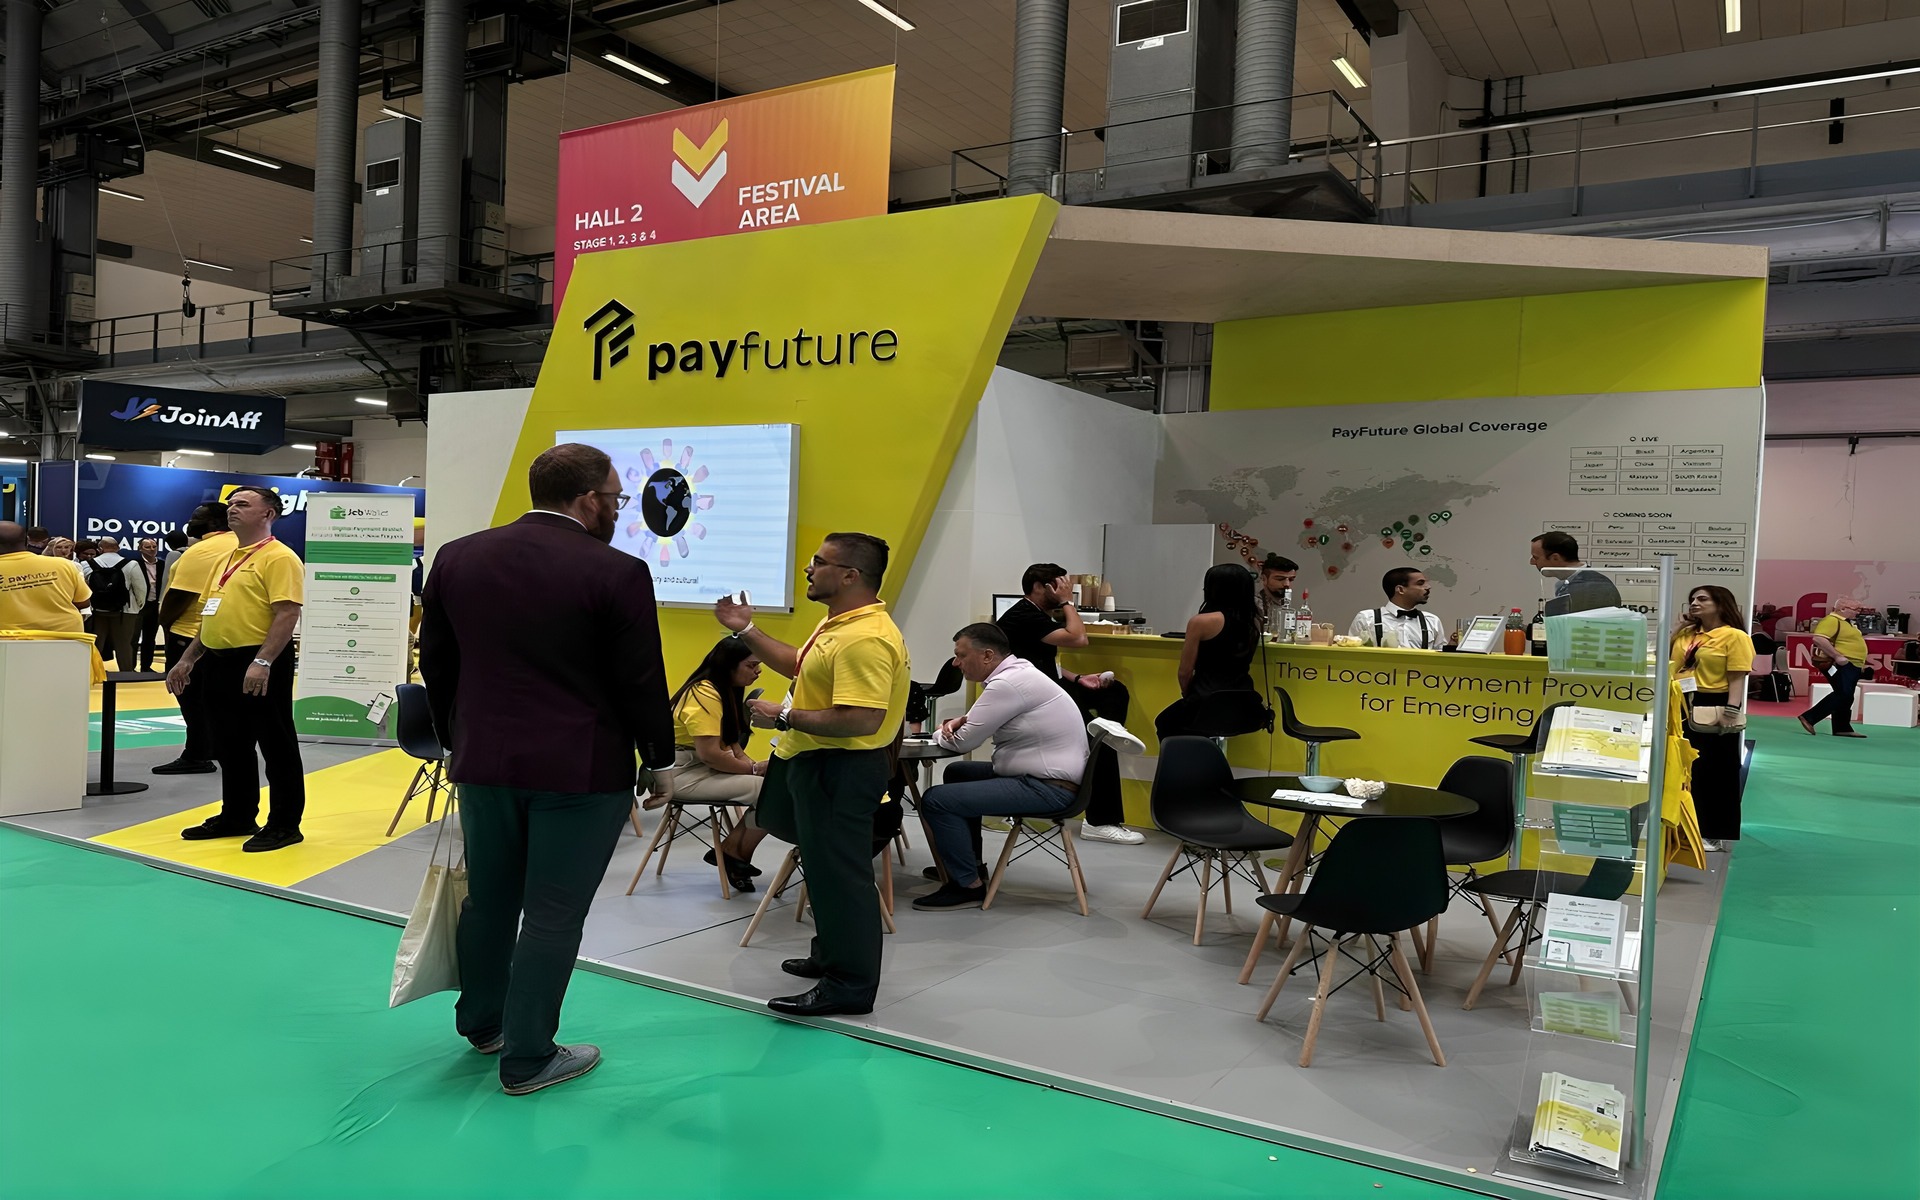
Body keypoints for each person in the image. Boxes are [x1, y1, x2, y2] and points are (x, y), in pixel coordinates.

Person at [420, 442, 677, 1096]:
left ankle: (483, 1023)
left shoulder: (457, 556)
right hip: (580, 768)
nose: (618, 509)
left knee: (489, 899)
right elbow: (640, 678)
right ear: (588, 499)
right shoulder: (617, 571)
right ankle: (529, 1056)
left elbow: (437, 662)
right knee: (553, 914)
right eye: (616, 498)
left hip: (483, 761)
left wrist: (456, 739)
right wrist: (660, 757)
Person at [714, 531, 910, 1018]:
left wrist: (783, 716)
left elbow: (861, 719)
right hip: (819, 765)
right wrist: (747, 629)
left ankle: (849, 985)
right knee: (823, 872)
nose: (808, 568)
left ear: (850, 575)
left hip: (841, 768)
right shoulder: (841, 624)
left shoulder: (865, 638)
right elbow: (800, 667)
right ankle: (830, 957)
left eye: (820, 562)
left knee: (842, 878)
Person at [165, 487, 307, 852]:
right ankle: (238, 815)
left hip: (258, 660)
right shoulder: (226, 559)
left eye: (243, 504)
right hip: (218, 660)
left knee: (276, 744)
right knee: (230, 744)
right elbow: (210, 614)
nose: (232, 509)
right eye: (231, 504)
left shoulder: (279, 557)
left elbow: (287, 613)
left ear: (268, 514)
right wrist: (188, 658)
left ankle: (285, 824)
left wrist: (263, 661)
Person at [914, 623, 1088, 911]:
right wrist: (956, 726)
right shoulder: (1018, 674)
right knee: (958, 773)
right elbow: (969, 726)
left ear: (987, 655)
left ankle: (967, 886)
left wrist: (940, 730)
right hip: (1048, 779)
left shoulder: (1007, 684)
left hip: (1047, 788)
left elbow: (962, 741)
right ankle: (969, 865)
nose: (956, 663)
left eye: (961, 655)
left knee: (936, 800)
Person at [995, 562, 1138, 845]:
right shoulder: (1024, 615)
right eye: (1060, 585)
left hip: (1048, 687)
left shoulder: (1038, 615)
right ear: (1040, 587)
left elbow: (1044, 662)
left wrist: (1078, 678)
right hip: (1032, 699)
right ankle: (1100, 821)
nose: (1066, 590)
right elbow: (1079, 638)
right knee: (1099, 741)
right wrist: (1067, 602)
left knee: (1114, 692)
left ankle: (1105, 728)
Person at [667, 636, 771, 892]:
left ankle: (731, 852)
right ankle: (734, 854)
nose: (758, 671)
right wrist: (754, 770)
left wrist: (756, 768)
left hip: (700, 768)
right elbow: (711, 755)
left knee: (774, 784)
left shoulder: (725, 690)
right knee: (773, 791)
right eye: (752, 665)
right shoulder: (704, 693)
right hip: (681, 774)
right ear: (729, 665)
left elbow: (734, 748)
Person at [152, 504, 235, 775]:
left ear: (213, 522)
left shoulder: (201, 551)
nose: (190, 522)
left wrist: (165, 623)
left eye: (196, 517)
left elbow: (180, 595)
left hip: (189, 633)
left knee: (189, 696)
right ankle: (217, 746)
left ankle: (197, 753)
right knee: (218, 698)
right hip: (229, 635)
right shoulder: (243, 546)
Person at [1671, 585, 1754, 850]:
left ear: (1720, 604)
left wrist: (1732, 710)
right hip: (1678, 703)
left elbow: (1737, 676)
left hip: (1713, 704)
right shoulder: (1686, 634)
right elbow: (1667, 662)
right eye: (1692, 599)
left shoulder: (1734, 636)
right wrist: (1676, 629)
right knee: (1682, 769)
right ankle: (1683, 827)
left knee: (1716, 770)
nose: (1694, 603)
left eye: (1702, 599)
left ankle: (1713, 831)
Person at [1154, 564, 1266, 740]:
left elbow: (1185, 672)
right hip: (1244, 702)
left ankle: (1187, 758)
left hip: (1205, 699)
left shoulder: (1201, 622)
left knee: (1165, 722)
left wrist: (1187, 695)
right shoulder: (1255, 621)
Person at [1799, 596, 1870, 739]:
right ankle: (1810, 717)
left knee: (1846, 695)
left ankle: (1842, 727)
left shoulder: (1847, 622)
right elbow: (1818, 638)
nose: (1858, 612)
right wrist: (1837, 656)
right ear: (1842, 608)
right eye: (1856, 609)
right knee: (1843, 693)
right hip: (1841, 663)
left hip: (1852, 663)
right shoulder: (1832, 620)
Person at [0, 521, 91, 633]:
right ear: (27, 541)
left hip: (8, 638)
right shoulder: (63, 565)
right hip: (65, 636)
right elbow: (83, 602)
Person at [84, 536, 148, 671]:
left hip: (96, 611)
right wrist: (138, 606)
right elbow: (141, 589)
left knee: (96, 643)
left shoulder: (87, 565)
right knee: (124, 644)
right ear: (118, 548)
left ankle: (92, 672)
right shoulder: (131, 564)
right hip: (125, 611)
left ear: (100, 549)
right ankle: (126, 673)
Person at [1349, 567, 1447, 650]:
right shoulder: (1366, 618)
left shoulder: (1432, 621)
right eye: (1420, 583)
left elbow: (1442, 656)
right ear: (1400, 589)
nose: (1428, 587)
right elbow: (1352, 652)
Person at [1531, 532, 1621, 614]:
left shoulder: (1591, 587)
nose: (1531, 562)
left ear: (1555, 558)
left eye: (1536, 558)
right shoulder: (1570, 583)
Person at [135, 537, 165, 671]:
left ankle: (146, 666)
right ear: (140, 549)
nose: (152, 549)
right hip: (139, 604)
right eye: (148, 547)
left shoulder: (163, 564)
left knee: (150, 637)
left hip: (156, 604)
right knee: (134, 637)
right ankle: (130, 667)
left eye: (154, 546)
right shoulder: (135, 564)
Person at [1256, 553, 1299, 627]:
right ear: (1264, 579)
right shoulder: (1254, 605)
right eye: (1280, 579)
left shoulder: (1286, 604)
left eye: (1291, 579)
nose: (1287, 584)